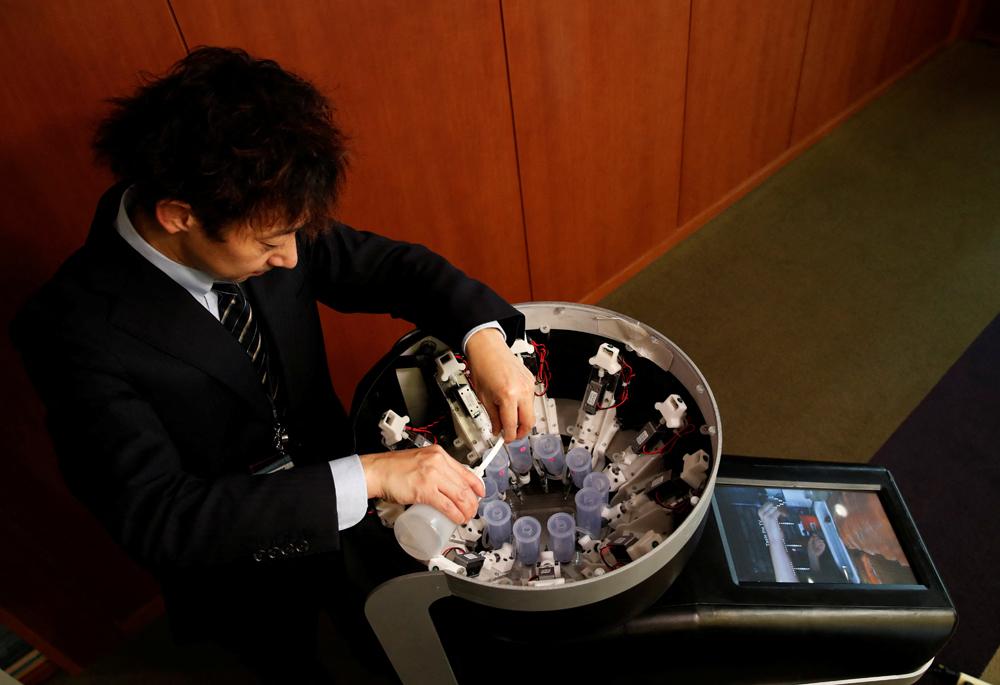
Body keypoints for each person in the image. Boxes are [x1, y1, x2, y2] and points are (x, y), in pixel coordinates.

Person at [11, 47, 536, 683]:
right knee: (286, 659)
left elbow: (393, 268)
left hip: (342, 494)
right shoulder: (70, 329)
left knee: (378, 624)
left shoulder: (266, 212)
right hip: (237, 562)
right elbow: (158, 515)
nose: (291, 258)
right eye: (269, 243)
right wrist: (367, 475)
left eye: (296, 233)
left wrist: (482, 338)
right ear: (179, 216)